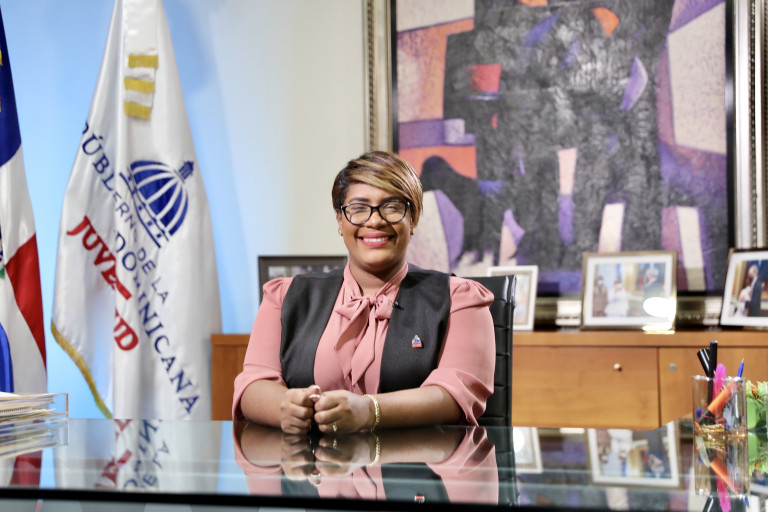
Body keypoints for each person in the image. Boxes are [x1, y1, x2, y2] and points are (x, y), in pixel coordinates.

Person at [232, 151, 496, 434]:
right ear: (340, 220)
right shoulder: (285, 296)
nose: (375, 221)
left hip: (419, 460)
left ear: (414, 218)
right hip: (309, 461)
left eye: (392, 207)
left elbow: (456, 395)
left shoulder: (460, 299)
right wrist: (285, 407)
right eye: (358, 208)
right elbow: (253, 385)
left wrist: (371, 411)